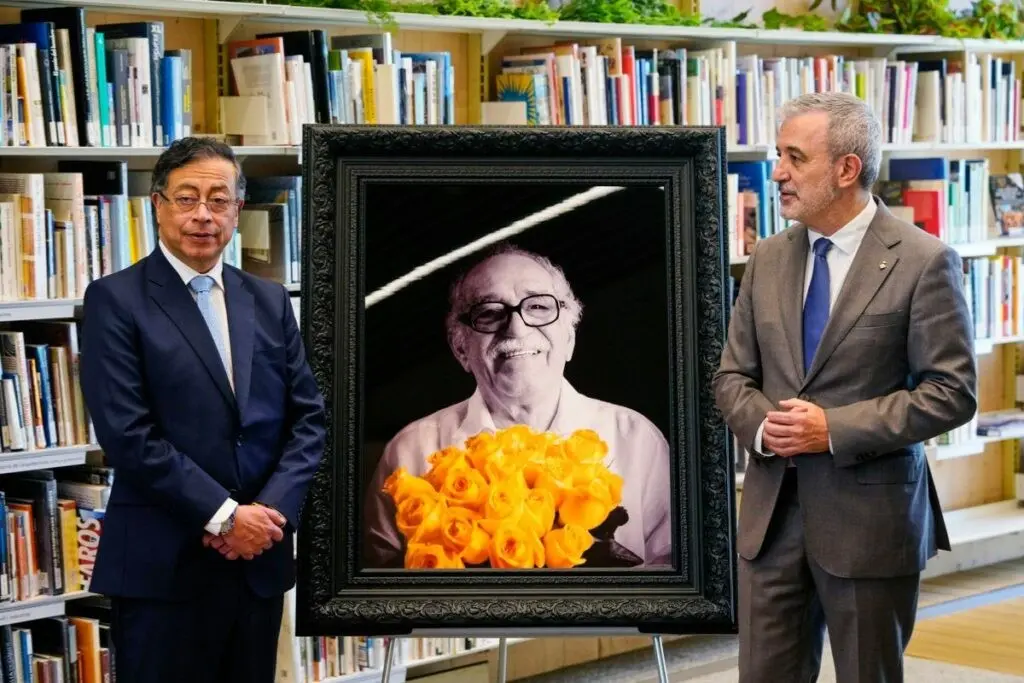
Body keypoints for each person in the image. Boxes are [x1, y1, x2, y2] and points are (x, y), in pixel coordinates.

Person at [713, 91, 977, 683]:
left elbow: (952, 391)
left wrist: (830, 430)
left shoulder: (924, 261)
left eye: (794, 157)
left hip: (870, 524)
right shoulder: (767, 257)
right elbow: (732, 375)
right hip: (771, 522)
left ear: (846, 169)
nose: (777, 172)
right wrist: (766, 428)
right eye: (777, 155)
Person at [79, 137, 327, 683]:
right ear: (158, 205)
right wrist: (226, 516)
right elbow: (128, 434)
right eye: (187, 198)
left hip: (257, 562)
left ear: (238, 210)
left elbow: (308, 419)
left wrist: (268, 516)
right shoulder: (115, 300)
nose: (202, 215)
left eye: (218, 200)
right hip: (164, 568)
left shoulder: (267, 299)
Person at [363, 245, 672, 568]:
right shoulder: (411, 452)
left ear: (569, 338)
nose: (517, 328)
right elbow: (380, 582)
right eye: (489, 312)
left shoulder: (636, 439)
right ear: (461, 349)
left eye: (538, 306)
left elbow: (671, 578)